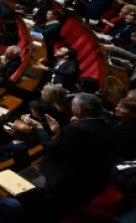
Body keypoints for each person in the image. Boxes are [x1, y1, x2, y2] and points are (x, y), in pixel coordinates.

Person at [25, 92, 118, 222]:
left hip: (65, 182)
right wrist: (59, 132)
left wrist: (39, 128)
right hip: (91, 180)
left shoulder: (75, 129)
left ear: (78, 110)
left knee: (51, 212)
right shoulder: (110, 127)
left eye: (73, 105)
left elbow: (51, 147)